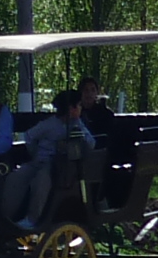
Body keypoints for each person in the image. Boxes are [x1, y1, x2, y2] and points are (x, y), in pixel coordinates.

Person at [12, 87, 97, 230]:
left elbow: (91, 144)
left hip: (61, 168)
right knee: (16, 177)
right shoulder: (49, 124)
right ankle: (10, 215)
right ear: (71, 108)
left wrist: (79, 129)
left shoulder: (78, 124)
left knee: (42, 180)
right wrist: (35, 155)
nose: (81, 109)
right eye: (79, 105)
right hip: (39, 162)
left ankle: (33, 219)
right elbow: (30, 136)